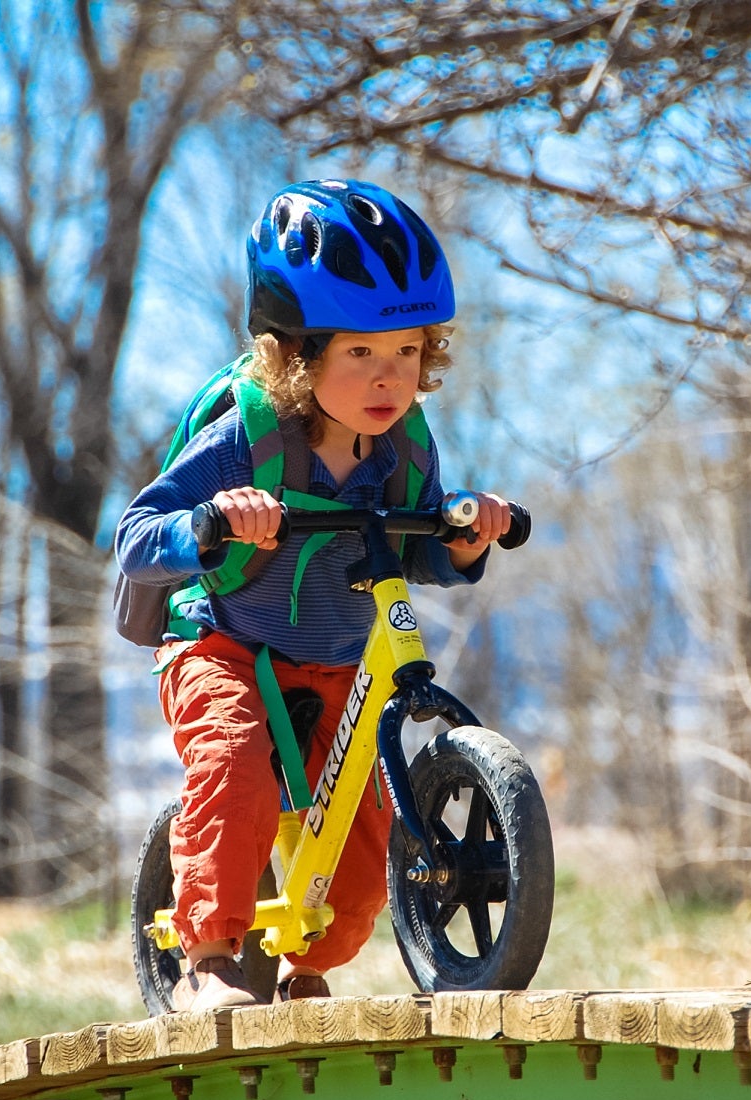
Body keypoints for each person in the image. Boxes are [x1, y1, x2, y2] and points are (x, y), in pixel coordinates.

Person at [114, 179, 513, 1012]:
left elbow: (418, 549)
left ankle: (307, 968)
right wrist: (213, 521)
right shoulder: (245, 439)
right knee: (234, 763)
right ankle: (209, 959)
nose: (387, 377)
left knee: (370, 823)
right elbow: (136, 534)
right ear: (298, 354)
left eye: (407, 352)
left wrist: (463, 540)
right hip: (223, 643)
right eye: (360, 353)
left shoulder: (403, 449)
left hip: (335, 659)